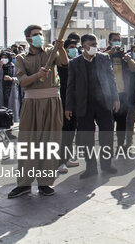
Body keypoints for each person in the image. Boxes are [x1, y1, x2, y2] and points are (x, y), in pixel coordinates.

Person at [8, 25, 68, 198]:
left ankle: (45, 183)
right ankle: (24, 184)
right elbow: (22, 82)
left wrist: (61, 48)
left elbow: (64, 63)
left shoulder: (51, 52)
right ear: (28, 38)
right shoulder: (21, 58)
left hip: (52, 102)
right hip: (31, 104)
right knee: (29, 143)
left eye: (41, 34)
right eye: (35, 35)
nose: (39, 37)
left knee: (50, 142)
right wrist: (37, 75)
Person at [66, 34, 120, 178]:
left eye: (96, 44)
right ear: (84, 46)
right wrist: (68, 107)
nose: (95, 47)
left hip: (103, 103)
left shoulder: (104, 58)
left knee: (107, 135)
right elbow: (70, 86)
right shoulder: (74, 63)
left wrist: (115, 98)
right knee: (86, 138)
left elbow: (111, 79)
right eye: (92, 44)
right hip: (84, 105)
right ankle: (90, 167)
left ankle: (107, 164)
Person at [106, 32, 135, 152]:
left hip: (122, 95)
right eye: (114, 40)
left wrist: (128, 59)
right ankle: (108, 148)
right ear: (109, 42)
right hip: (108, 95)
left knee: (122, 123)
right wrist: (110, 52)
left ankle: (120, 145)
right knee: (108, 124)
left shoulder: (123, 55)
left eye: (118, 40)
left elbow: (134, 68)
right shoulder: (105, 55)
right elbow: (98, 61)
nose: (117, 42)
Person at [57, 38, 80, 173]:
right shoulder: (61, 63)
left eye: (75, 46)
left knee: (71, 132)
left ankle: (66, 158)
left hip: (75, 102)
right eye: (71, 47)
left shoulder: (77, 62)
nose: (74, 49)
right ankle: (59, 161)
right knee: (64, 132)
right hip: (64, 102)